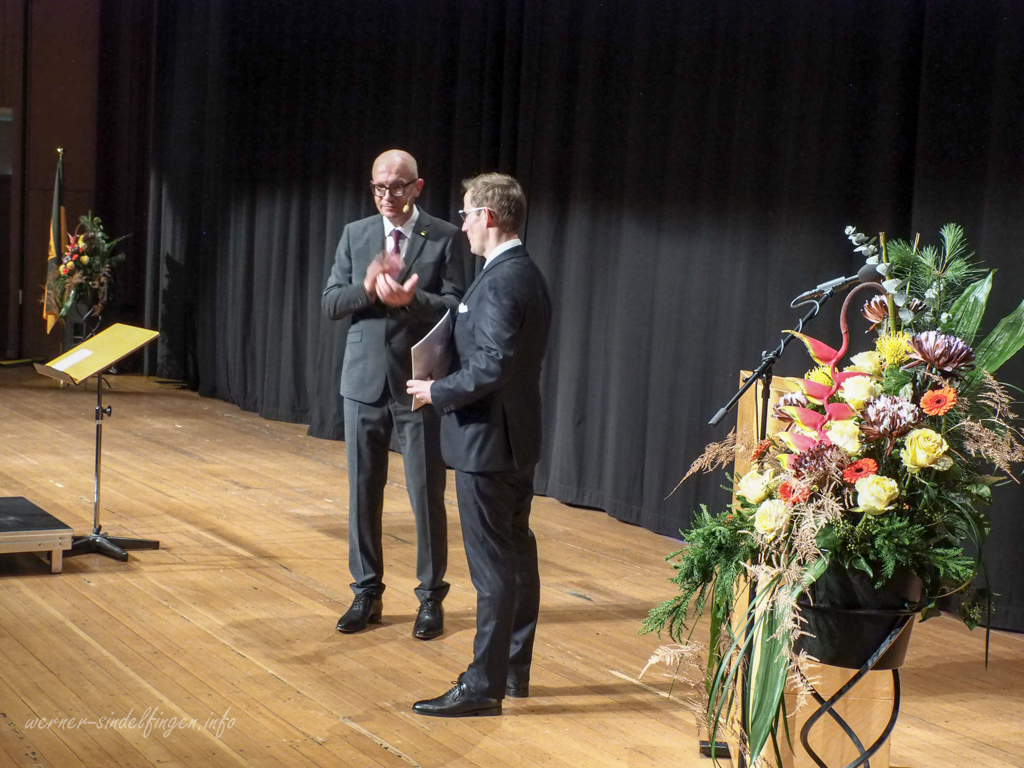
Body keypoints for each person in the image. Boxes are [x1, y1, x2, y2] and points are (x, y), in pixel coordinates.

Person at [407, 173, 551, 717]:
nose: (462, 224)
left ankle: (482, 686)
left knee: (494, 569)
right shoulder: (523, 272)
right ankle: (512, 671)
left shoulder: (502, 279)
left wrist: (436, 390)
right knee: (515, 558)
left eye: (466, 213)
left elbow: (492, 363)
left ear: (487, 216)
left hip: (487, 445)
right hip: (512, 441)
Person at [322, 149, 474, 640]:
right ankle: (366, 591)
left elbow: (457, 305)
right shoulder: (356, 234)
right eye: (378, 187)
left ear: (417, 187)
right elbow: (331, 302)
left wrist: (414, 300)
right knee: (362, 490)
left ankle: (430, 597)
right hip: (363, 382)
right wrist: (368, 288)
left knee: (426, 493)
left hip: (418, 382)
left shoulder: (444, 235)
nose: (386, 196)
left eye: (396, 187)